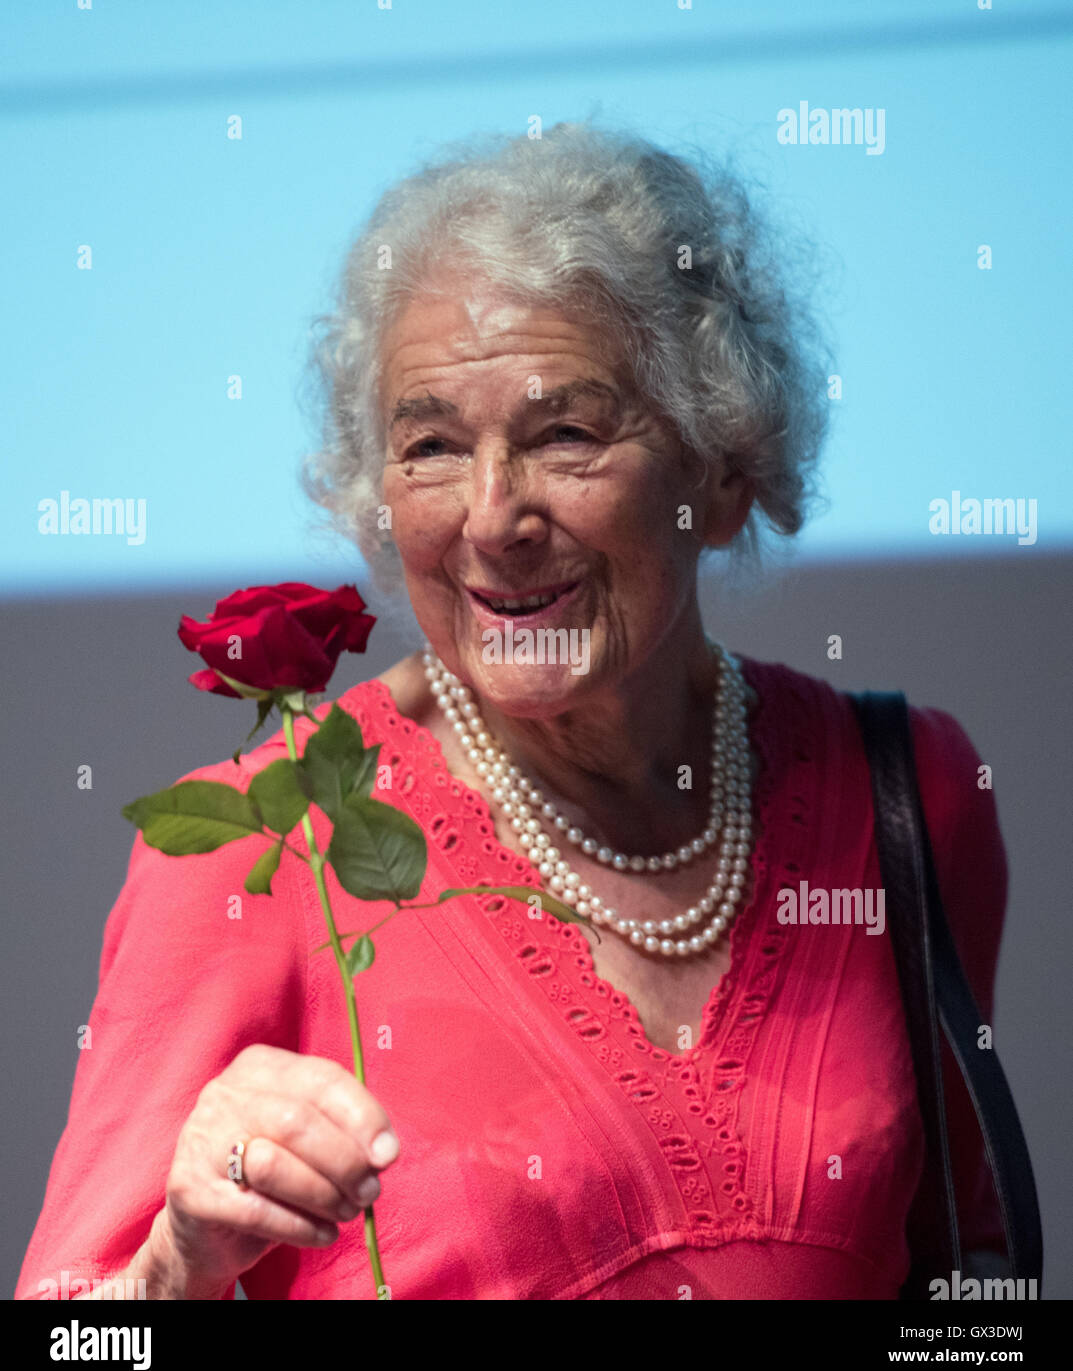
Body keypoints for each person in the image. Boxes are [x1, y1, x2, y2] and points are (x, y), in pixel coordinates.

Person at [17, 123, 1008, 1300]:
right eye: (430, 446)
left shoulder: (903, 791)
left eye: (565, 435)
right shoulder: (255, 845)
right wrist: (179, 1264)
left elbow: (964, 1268)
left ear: (722, 467)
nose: (492, 517)